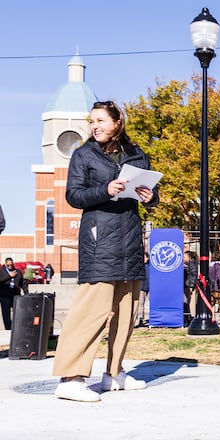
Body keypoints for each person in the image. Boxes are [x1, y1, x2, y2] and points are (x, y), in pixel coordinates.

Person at [52, 100, 159, 402]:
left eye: (100, 120)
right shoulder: (84, 154)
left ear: (117, 122)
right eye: (92, 121)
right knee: (91, 313)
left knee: (127, 312)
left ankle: (114, 374)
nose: (94, 126)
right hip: (100, 241)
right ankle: (70, 378)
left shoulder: (136, 154)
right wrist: (105, 189)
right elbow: (74, 195)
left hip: (130, 241)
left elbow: (152, 194)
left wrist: (150, 197)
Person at [0, 257, 23, 330]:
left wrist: (26, 292)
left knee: (18, 311)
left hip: (15, 294)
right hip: (5, 296)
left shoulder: (18, 271)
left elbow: (22, 283)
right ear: (5, 264)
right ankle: (8, 328)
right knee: (6, 313)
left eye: (11, 265)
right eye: (8, 265)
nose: (10, 266)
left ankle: (16, 326)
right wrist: (9, 276)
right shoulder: (1, 272)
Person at [208, 251, 220, 324]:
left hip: (210, 287)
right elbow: (219, 277)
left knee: (210, 304)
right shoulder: (219, 266)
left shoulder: (210, 266)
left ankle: (209, 318)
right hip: (218, 288)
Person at [183, 250, 198, 325]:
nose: (183, 258)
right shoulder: (189, 264)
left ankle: (191, 318)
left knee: (190, 303)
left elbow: (193, 275)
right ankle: (188, 318)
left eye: (184, 257)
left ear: (190, 257)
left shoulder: (192, 264)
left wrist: (191, 286)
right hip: (187, 285)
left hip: (189, 286)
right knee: (187, 302)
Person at [136, 252, 149, 328]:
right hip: (141, 286)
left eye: (146, 257)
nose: (145, 259)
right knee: (140, 303)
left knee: (151, 303)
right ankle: (140, 319)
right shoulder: (139, 266)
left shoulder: (151, 265)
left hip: (151, 286)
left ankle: (151, 319)